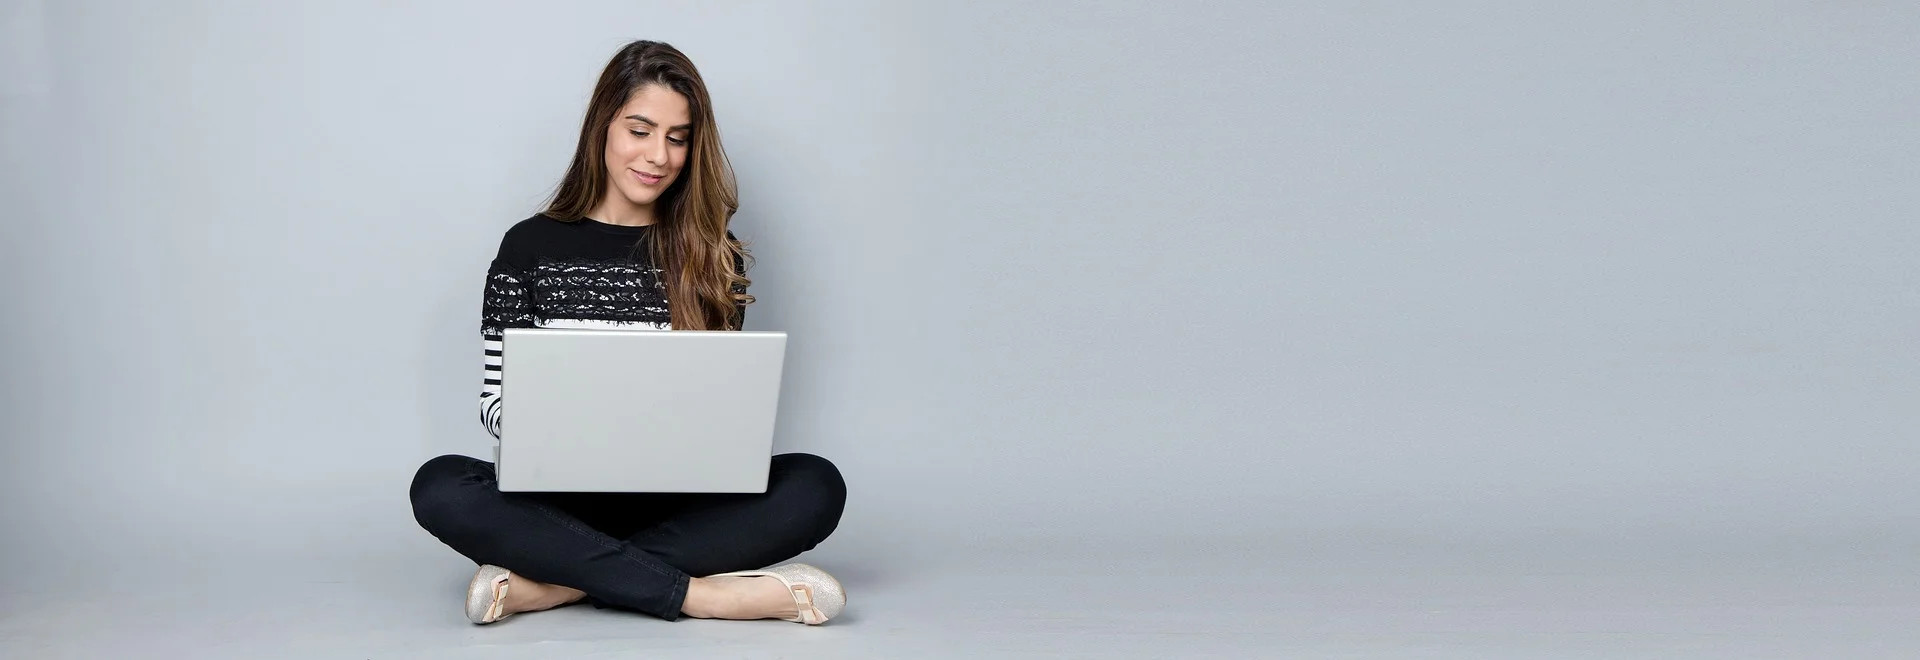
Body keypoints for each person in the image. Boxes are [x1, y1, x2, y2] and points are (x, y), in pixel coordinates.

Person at [408, 40, 848, 626]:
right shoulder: (528, 246)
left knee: (816, 484)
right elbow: (495, 403)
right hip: (554, 500)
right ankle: (702, 595)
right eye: (640, 130)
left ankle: (557, 582)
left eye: (677, 137)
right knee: (439, 485)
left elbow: (723, 413)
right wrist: (567, 423)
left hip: (680, 503)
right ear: (603, 128)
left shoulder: (715, 257)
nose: (658, 156)